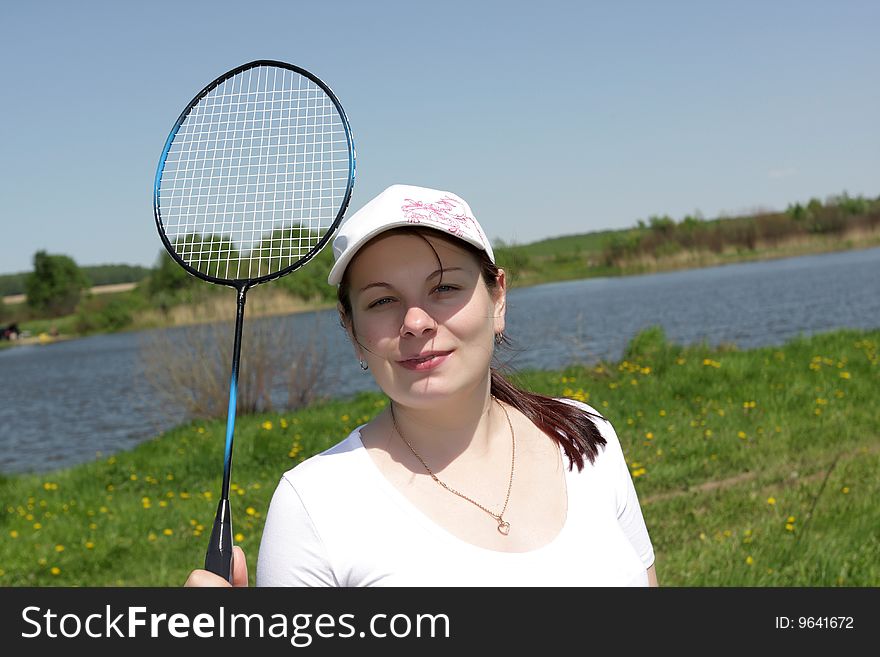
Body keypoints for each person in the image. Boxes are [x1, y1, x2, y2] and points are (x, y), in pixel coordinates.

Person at [185, 184, 658, 587]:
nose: (414, 322)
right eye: (383, 300)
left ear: (498, 299)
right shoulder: (313, 505)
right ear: (352, 332)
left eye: (444, 288)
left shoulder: (586, 435)